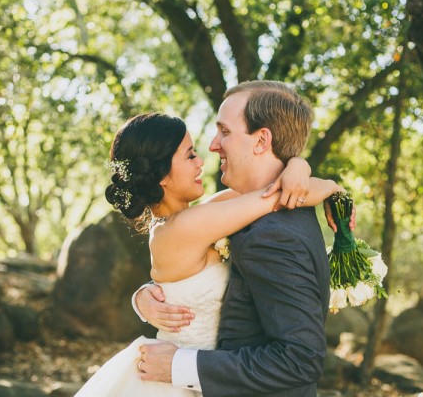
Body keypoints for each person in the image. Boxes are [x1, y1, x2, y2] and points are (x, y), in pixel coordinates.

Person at [75, 107, 345, 396]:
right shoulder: (184, 228)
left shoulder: (194, 217)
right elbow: (281, 196)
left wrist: (298, 168)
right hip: (178, 379)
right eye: (190, 155)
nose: (201, 162)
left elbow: (279, 188)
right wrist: (327, 184)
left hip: (204, 377)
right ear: (163, 175)